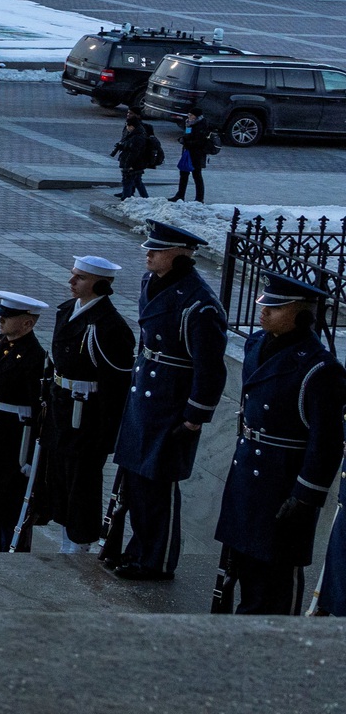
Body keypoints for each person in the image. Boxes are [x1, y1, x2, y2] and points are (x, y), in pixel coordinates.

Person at [211, 272, 343, 614]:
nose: (264, 312)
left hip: (281, 483)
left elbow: (326, 442)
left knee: (272, 580)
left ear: (300, 315)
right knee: (240, 568)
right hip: (248, 477)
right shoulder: (257, 345)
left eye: (275, 307)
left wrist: (305, 497)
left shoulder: (319, 369)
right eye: (264, 304)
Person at [108, 224, 227, 581]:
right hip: (146, 393)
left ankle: (157, 561)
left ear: (180, 254)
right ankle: (138, 549)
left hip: (170, 403)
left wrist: (193, 417)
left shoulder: (199, 303)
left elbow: (210, 369)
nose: (148, 254)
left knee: (158, 486)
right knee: (138, 482)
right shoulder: (153, 283)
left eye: (156, 250)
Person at [32, 256, 135, 553]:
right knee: (61, 478)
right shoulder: (68, 311)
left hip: (87, 418)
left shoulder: (109, 326)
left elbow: (116, 385)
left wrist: (107, 434)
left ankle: (79, 543)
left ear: (100, 284)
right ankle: (68, 537)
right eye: (73, 275)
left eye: (80, 278)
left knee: (82, 483)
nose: (71, 282)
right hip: (61, 409)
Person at [0, 291, 50, 551]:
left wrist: (29, 458)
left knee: (9, 505)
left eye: (8, 317)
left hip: (14, 438)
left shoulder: (34, 356)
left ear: (27, 323)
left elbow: (37, 410)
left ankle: (10, 553)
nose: (1, 321)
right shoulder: (0, 342)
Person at [111, 115, 161, 200]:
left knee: (127, 181)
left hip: (134, 164)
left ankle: (126, 199)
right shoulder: (138, 134)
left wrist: (128, 165)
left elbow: (133, 153)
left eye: (128, 126)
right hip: (138, 164)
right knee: (137, 181)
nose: (127, 128)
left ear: (132, 126)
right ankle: (145, 198)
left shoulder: (137, 137)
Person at [172, 114, 213, 202]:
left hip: (196, 155)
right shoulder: (190, 124)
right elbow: (187, 135)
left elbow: (199, 142)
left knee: (197, 175)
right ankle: (180, 195)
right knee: (184, 174)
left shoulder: (201, 126)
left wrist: (186, 142)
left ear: (195, 116)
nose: (188, 117)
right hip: (188, 153)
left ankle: (199, 198)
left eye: (190, 115)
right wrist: (183, 139)